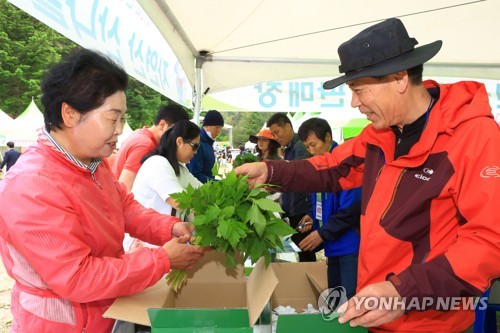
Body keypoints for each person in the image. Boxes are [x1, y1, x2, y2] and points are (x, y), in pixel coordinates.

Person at [235, 18, 500, 332]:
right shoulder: (380, 135)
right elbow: (331, 168)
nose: (354, 102)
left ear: (400, 78)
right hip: (377, 313)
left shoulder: (474, 137)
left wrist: (402, 291)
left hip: (431, 321)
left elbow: (489, 242)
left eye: (359, 90)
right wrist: (270, 169)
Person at [0, 49, 205, 332]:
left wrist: (169, 229)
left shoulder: (93, 163)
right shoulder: (33, 184)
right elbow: (78, 277)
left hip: (104, 312)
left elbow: (125, 208)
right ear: (70, 113)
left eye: (122, 119)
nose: (120, 130)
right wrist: (162, 259)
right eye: (113, 118)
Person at [297, 118, 361, 299]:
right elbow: (321, 200)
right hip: (332, 247)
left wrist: (321, 234)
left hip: (350, 246)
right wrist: (313, 217)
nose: (311, 151)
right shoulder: (323, 165)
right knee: (335, 299)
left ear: (327, 137)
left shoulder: (346, 165)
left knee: (349, 303)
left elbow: (349, 211)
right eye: (307, 147)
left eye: (313, 144)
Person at [124, 120, 203, 251]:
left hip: (163, 242)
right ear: (179, 142)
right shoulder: (157, 163)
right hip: (144, 244)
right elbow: (178, 200)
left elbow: (202, 189)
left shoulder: (180, 169)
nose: (195, 152)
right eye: (194, 146)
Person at [266, 113, 313, 262]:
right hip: (294, 208)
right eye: (273, 134)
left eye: (277, 132)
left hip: (301, 208)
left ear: (287, 126)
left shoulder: (299, 146)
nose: (276, 137)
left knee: (305, 250)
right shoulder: (288, 148)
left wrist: (276, 185)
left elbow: (299, 176)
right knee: (301, 250)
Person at [112, 103, 190, 192]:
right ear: (162, 125)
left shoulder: (139, 132)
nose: (176, 138)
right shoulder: (145, 145)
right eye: (175, 131)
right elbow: (125, 188)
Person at [188, 109, 224, 183]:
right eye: (217, 127)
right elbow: (195, 174)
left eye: (220, 128)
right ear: (207, 126)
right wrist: (218, 183)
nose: (218, 131)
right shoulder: (198, 143)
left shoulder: (208, 143)